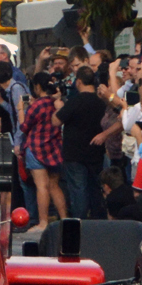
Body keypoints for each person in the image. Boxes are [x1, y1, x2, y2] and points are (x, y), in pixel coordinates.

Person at [56, 69, 108, 220]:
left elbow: (57, 120)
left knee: (78, 190)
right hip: (96, 152)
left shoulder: (75, 101)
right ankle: (98, 219)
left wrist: (58, 107)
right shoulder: (101, 101)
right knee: (95, 189)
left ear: (78, 81)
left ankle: (79, 221)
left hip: (74, 154)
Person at [21, 72, 67, 223]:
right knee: (54, 186)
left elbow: (24, 126)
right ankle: (65, 219)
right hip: (55, 149)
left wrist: (21, 110)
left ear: (38, 86)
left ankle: (43, 222)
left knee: (42, 186)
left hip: (36, 148)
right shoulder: (57, 103)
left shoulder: (37, 105)